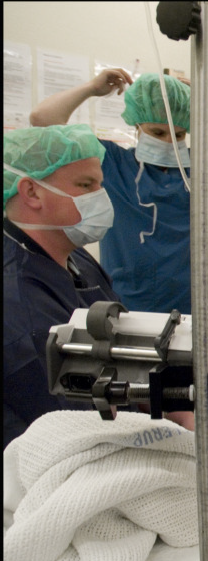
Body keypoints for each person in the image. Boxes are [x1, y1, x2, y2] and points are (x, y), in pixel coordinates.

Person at [29, 70, 208, 317]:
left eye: (178, 134)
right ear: (137, 126)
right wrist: (90, 89)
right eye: (157, 133)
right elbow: (42, 119)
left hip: (200, 311)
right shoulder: (112, 163)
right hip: (130, 309)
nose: (168, 142)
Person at [2, 125, 190, 447]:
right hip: (60, 463)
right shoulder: (15, 295)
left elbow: (122, 349)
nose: (100, 198)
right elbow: (73, 422)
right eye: (86, 185)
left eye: (100, 185)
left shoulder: (75, 258)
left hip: (117, 425)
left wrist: (174, 401)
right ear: (32, 192)